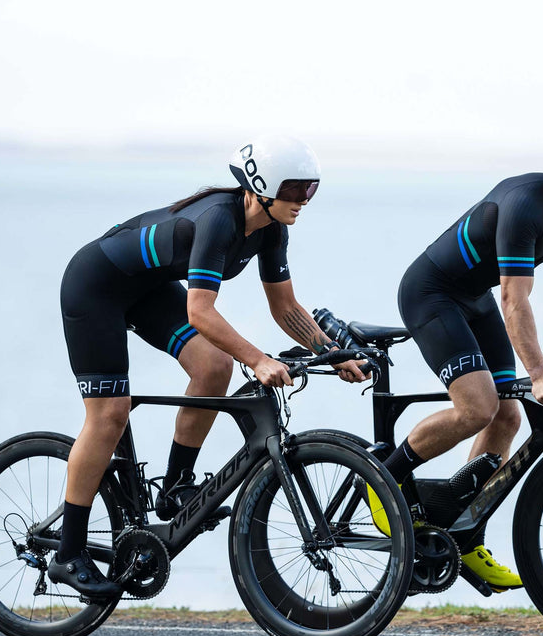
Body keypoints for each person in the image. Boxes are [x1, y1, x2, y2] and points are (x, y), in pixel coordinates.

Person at [48, 135, 368, 597]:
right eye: (295, 190)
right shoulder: (220, 220)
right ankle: (68, 552)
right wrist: (257, 359)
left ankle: (175, 486)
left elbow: (285, 308)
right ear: (260, 186)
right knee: (109, 415)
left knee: (214, 367)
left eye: (310, 190)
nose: (303, 201)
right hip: (94, 287)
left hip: (146, 290)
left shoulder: (272, 229)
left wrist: (331, 354)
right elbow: (200, 311)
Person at [384, 114, 543, 592]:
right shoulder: (525, 205)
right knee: (477, 406)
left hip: (474, 300)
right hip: (432, 294)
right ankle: (384, 483)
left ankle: (461, 531)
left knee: (507, 417)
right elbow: (514, 299)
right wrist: (539, 374)